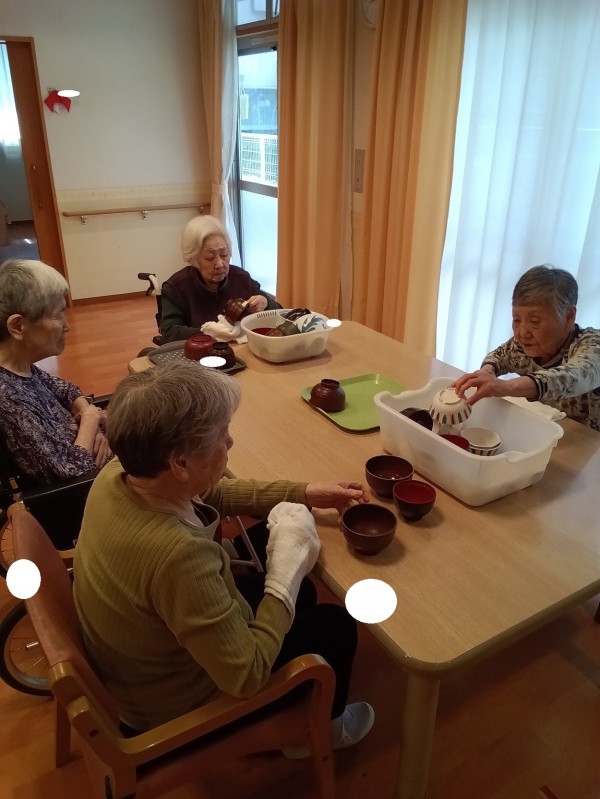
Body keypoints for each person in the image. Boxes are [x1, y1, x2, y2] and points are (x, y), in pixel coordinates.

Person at [73, 362, 375, 755]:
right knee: (335, 625)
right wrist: (284, 575)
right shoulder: (178, 556)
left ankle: (299, 677)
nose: (230, 442)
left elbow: (211, 493)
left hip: (142, 663)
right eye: (221, 434)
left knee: (300, 590)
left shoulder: (121, 473)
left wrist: (306, 492)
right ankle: (320, 733)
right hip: (176, 711)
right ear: (180, 463)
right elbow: (246, 675)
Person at [0, 259, 111, 484]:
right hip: (90, 489)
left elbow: (66, 390)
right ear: (18, 326)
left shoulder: (22, 367)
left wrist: (89, 416)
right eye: (58, 314)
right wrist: (91, 420)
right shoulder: (7, 398)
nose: (67, 326)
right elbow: (71, 472)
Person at [453, 265, 600, 431]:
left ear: (569, 316)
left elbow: (578, 375)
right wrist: (487, 371)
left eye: (534, 322)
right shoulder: (522, 347)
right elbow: (500, 356)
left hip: (588, 440)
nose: (522, 333)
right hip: (546, 430)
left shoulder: (592, 344)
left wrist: (505, 387)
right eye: (516, 320)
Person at [159, 215, 280, 342]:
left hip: (241, 349)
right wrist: (209, 332)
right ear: (194, 258)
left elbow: (279, 312)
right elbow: (169, 332)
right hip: (199, 351)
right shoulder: (176, 287)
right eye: (210, 258)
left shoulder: (241, 278)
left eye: (224, 255)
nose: (220, 264)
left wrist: (265, 303)